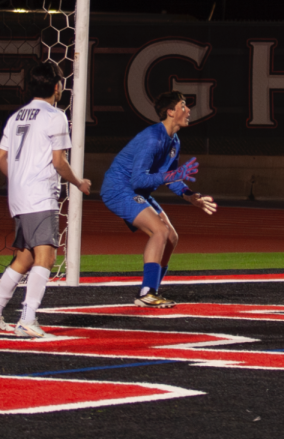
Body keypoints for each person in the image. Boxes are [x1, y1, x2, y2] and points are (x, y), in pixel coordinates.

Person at [100, 90, 217, 308]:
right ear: (171, 111)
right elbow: (137, 179)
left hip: (136, 191)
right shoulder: (152, 138)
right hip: (119, 188)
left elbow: (171, 179)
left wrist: (191, 197)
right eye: (183, 105)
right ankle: (147, 293)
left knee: (171, 237)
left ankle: (151, 290)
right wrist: (173, 175)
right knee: (160, 231)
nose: (188, 109)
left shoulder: (174, 141)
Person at [0, 62, 91, 337]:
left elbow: (2, 158)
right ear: (57, 86)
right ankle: (27, 319)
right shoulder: (55, 116)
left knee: (24, 257)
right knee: (46, 255)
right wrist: (78, 182)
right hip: (40, 195)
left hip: (18, 196)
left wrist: (18, 178)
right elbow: (58, 161)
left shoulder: (16, 116)